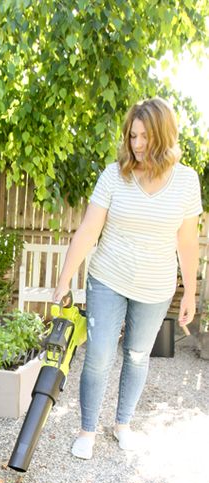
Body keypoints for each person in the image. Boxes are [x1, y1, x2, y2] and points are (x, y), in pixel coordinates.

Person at [52, 96, 203, 460]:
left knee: (137, 356)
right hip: (108, 278)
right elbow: (88, 230)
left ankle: (122, 425)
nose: (135, 144)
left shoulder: (186, 181)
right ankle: (87, 430)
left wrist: (191, 293)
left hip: (155, 286)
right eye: (132, 136)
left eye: (144, 137)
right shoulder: (113, 175)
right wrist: (63, 282)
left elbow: (187, 241)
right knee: (100, 354)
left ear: (163, 136)